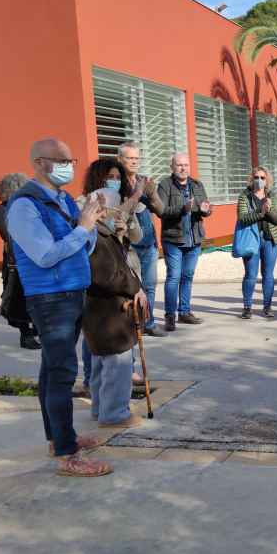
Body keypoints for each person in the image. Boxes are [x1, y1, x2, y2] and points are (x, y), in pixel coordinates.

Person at [6, 138, 110, 477]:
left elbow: (81, 245)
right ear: (39, 163)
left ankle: (58, 438)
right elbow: (45, 254)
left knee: (51, 372)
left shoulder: (62, 198)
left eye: (72, 160)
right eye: (60, 160)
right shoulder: (24, 205)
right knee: (62, 374)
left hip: (72, 293)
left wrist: (92, 225)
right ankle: (67, 456)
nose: (68, 166)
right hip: (50, 299)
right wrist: (82, 228)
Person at [79, 166, 148, 429]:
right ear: (104, 209)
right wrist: (134, 285)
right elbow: (107, 277)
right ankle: (114, 414)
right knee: (116, 366)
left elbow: (115, 260)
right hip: (108, 312)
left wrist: (120, 237)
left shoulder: (103, 232)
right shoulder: (95, 233)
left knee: (101, 365)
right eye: (118, 207)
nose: (122, 211)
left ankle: (100, 409)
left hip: (101, 313)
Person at [116, 143, 167, 337]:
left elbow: (161, 211)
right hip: (130, 245)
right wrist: (137, 195)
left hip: (150, 244)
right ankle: (132, 324)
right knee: (133, 286)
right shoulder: (116, 182)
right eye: (130, 158)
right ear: (119, 159)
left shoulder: (144, 181)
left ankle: (149, 323)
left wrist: (151, 193)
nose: (135, 162)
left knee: (150, 285)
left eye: (137, 158)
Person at [157, 154, 213, 331]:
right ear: (172, 167)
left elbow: (204, 210)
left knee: (187, 277)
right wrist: (182, 209)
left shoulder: (197, 184)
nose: (183, 168)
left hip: (194, 239)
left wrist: (204, 211)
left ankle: (184, 312)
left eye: (186, 165)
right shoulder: (164, 185)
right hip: (173, 239)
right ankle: (170, 316)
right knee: (174, 276)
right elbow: (162, 211)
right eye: (179, 165)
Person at [0, 172, 39, 349]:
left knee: (35, 295)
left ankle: (37, 329)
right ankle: (25, 335)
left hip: (33, 257)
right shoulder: (2, 209)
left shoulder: (29, 207)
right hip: (14, 261)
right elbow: (6, 234)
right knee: (18, 297)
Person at [237, 166, 277, 319]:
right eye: (256, 177)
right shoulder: (245, 196)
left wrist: (268, 210)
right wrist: (260, 212)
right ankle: (247, 307)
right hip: (252, 239)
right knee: (250, 274)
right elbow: (242, 218)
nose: (259, 180)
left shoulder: (273, 196)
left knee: (268, 275)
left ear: (267, 180)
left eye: (263, 178)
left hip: (270, 240)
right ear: (252, 178)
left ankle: (267, 306)